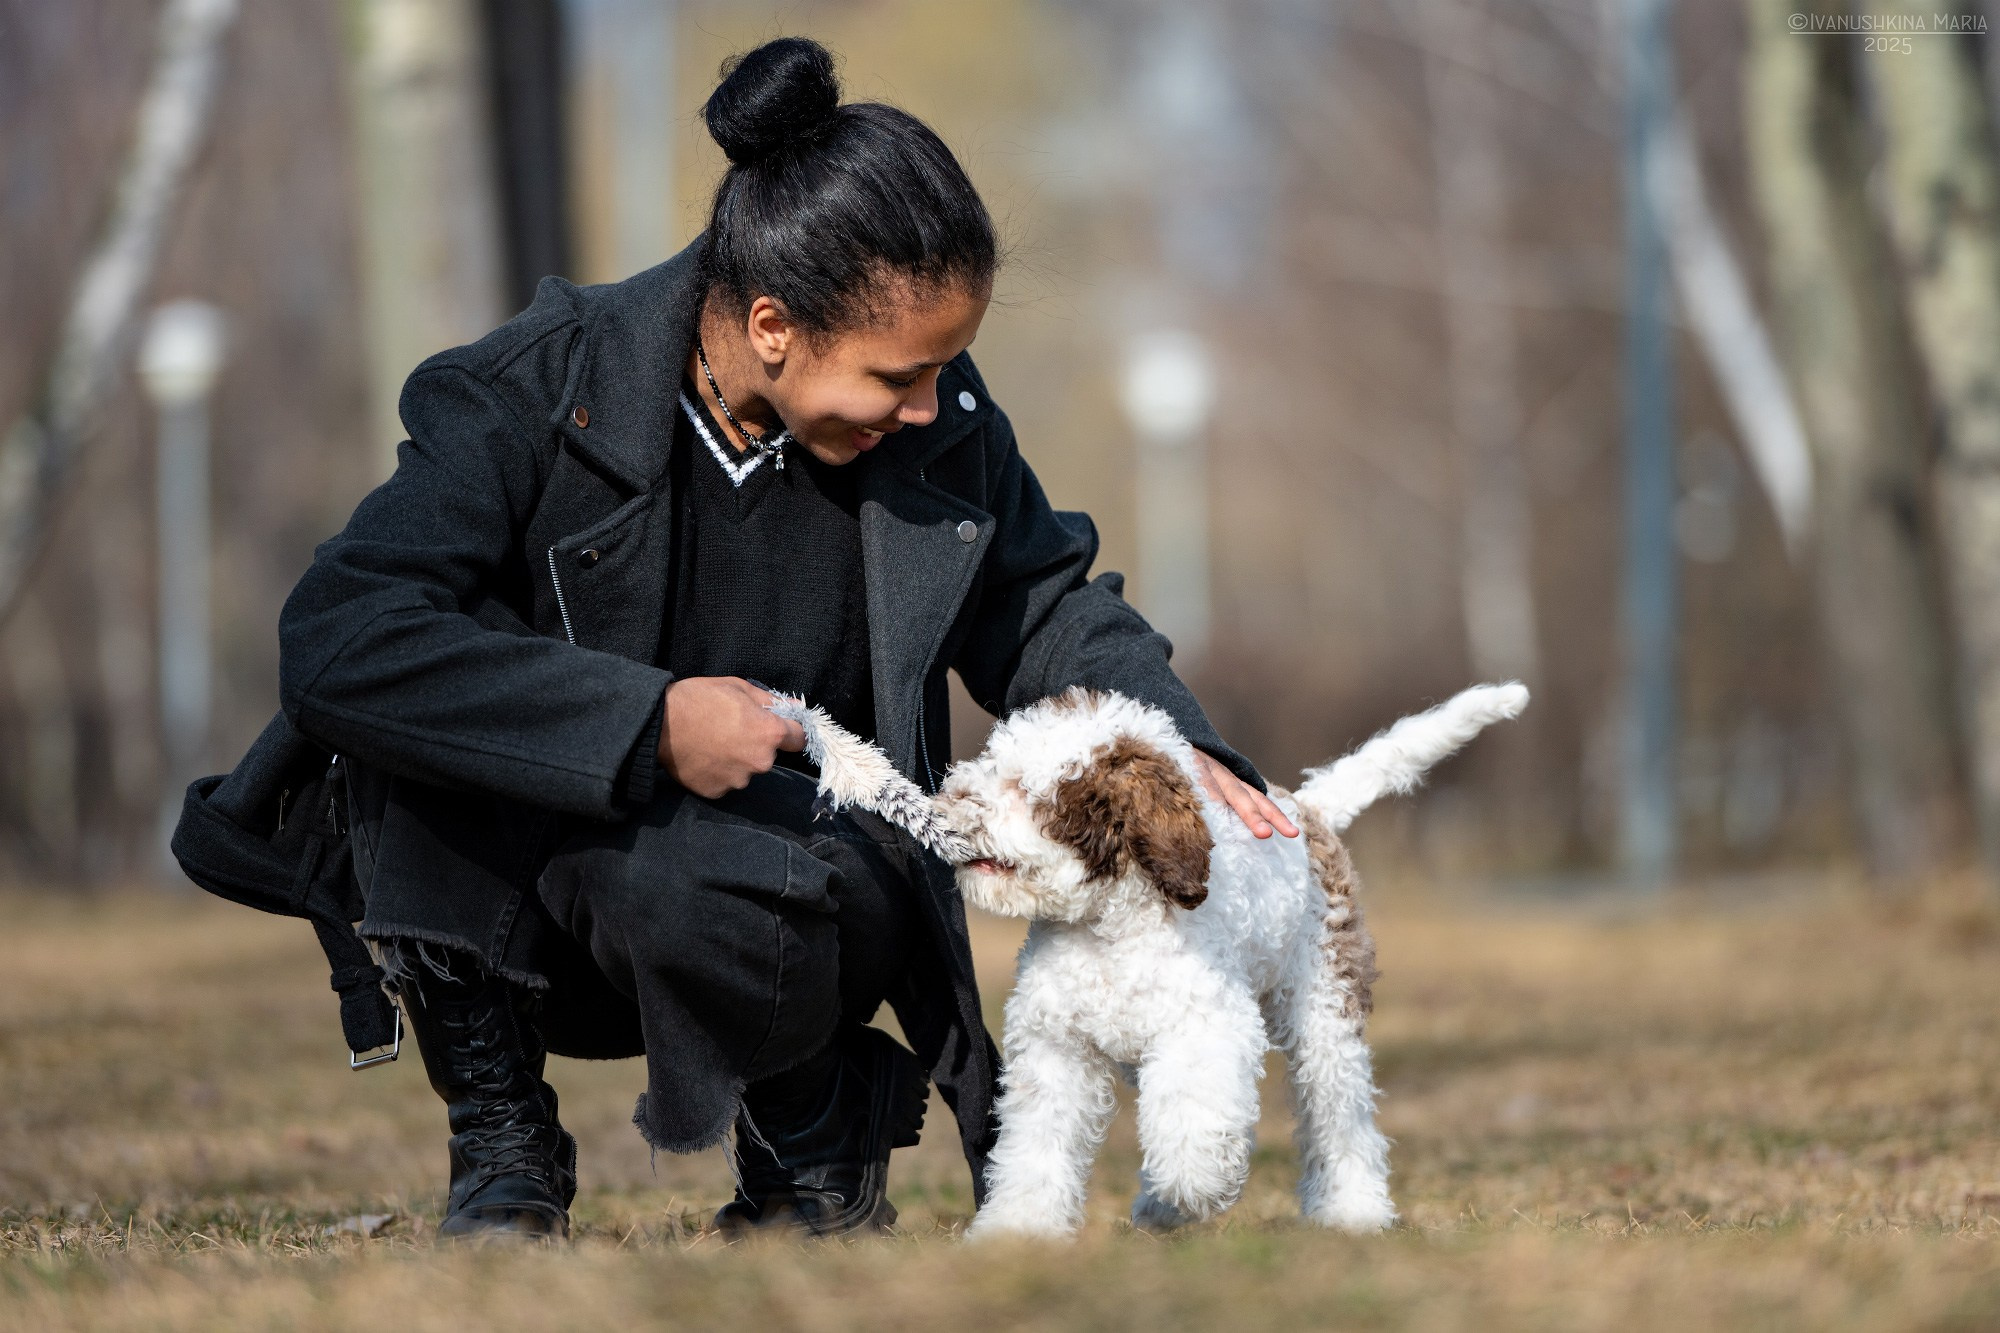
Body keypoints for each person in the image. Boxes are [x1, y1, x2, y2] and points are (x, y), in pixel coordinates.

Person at [275, 35, 1296, 1241]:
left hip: (808, 881)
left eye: (943, 373)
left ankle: (813, 1123)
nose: (927, 408)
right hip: (532, 890)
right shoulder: (526, 392)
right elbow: (338, 638)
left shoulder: (942, 427)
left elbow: (1048, 604)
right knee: (414, 732)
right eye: (896, 378)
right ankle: (500, 1148)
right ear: (771, 324)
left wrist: (1183, 744)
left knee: (673, 872)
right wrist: (644, 726)